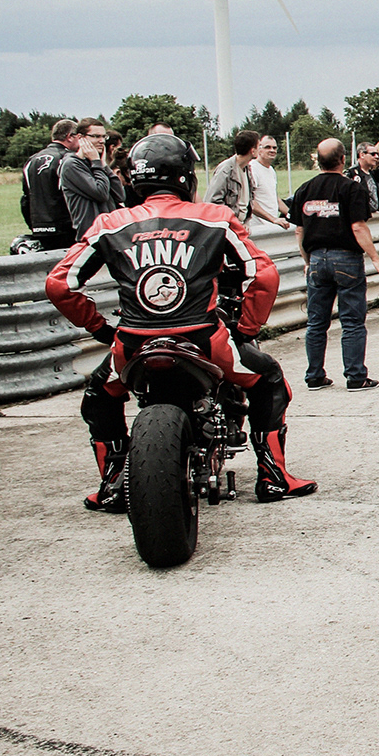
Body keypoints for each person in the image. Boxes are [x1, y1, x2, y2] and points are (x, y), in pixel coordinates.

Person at [45, 134, 316, 509]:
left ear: (135, 180)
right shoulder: (216, 217)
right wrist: (246, 330)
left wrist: (101, 330)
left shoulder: (109, 223)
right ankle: (274, 477)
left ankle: (112, 483)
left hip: (132, 345)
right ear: (186, 177)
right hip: (206, 341)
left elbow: (59, 284)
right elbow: (264, 275)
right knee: (269, 379)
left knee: (98, 397)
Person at [287, 139, 379, 392]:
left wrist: (307, 261)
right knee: (352, 321)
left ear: (318, 161)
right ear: (343, 159)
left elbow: (299, 230)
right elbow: (358, 226)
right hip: (346, 258)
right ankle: (355, 376)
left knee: (316, 322)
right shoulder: (351, 188)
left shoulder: (304, 190)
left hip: (316, 259)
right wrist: (376, 258)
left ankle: (314, 375)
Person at [59, 119, 128, 240]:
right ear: (81, 137)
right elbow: (101, 193)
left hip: (110, 233)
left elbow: (120, 195)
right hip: (90, 235)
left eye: (103, 137)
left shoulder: (96, 164)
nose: (101, 141)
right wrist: (96, 162)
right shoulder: (71, 165)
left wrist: (104, 166)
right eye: (96, 136)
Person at [21, 117, 81, 250]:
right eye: (79, 137)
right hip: (66, 229)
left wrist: (35, 225)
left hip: (40, 228)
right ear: (70, 137)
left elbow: (25, 199)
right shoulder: (69, 159)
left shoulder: (31, 160)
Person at [203, 130, 258, 222]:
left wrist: (246, 222)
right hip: (228, 225)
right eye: (258, 146)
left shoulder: (247, 168)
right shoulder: (226, 170)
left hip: (241, 224)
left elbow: (248, 202)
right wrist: (232, 221)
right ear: (252, 151)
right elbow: (212, 201)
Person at [249, 135, 289, 227]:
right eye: (267, 147)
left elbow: (275, 198)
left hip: (271, 225)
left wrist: (292, 215)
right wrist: (273, 219)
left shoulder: (271, 170)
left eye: (274, 148)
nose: (272, 150)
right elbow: (250, 201)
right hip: (257, 227)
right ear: (259, 149)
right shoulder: (252, 169)